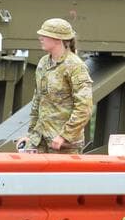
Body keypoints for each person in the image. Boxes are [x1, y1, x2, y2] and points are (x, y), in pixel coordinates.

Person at [23, 18, 93, 154]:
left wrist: (64, 136)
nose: (40, 38)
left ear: (57, 39)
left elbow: (84, 107)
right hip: (40, 140)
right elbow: (38, 100)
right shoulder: (43, 63)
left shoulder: (75, 66)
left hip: (64, 146)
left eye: (45, 35)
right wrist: (31, 134)